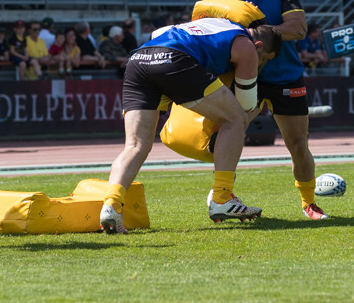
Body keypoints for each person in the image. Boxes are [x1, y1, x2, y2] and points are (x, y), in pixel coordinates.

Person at [98, 18, 282, 233]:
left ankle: (112, 205)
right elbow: (246, 106)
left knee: (135, 145)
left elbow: (158, 32)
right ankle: (222, 196)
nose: (261, 63)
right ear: (258, 46)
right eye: (265, 58)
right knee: (236, 119)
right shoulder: (248, 46)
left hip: (139, 59)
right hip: (175, 60)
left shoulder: (218, 24)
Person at [217, 0, 328, 220]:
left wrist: (258, 33)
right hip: (246, 78)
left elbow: (300, 28)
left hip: (286, 75)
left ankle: (309, 203)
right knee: (229, 135)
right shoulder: (222, 2)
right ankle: (222, 196)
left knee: (298, 144)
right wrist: (270, 35)